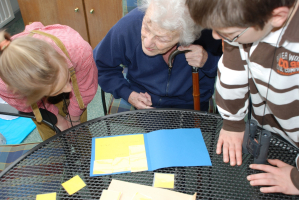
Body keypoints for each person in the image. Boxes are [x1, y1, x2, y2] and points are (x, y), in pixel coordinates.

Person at [187, 0, 299, 195]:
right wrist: (232, 121)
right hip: (269, 127)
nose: (215, 36)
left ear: (277, 17)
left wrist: (296, 181)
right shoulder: (242, 21)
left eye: (229, 34)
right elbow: (233, 72)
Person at [94, 0, 222, 112]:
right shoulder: (129, 25)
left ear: (186, 36)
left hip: (192, 104)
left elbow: (236, 73)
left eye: (162, 38)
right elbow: (101, 66)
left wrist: (208, 61)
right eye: (146, 27)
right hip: (146, 102)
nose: (147, 42)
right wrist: (128, 93)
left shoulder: (210, 34)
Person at [0, 22, 98, 141]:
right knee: (52, 140)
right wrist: (57, 120)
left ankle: (86, 154)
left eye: (66, 78)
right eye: (58, 88)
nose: (68, 89)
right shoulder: (6, 86)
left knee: (80, 133)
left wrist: (74, 116)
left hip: (78, 83)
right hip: (38, 104)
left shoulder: (78, 50)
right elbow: (27, 105)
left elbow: (84, 88)